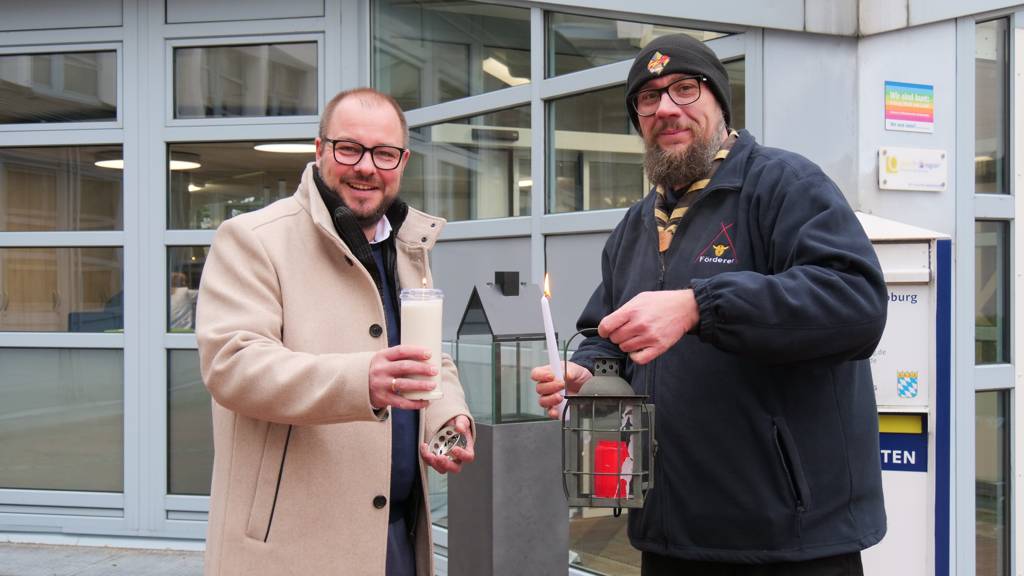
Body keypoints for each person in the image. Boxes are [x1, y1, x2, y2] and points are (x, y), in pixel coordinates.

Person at [533, 34, 887, 575]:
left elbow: (856, 304)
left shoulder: (784, 185)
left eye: (685, 88)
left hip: (789, 543)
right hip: (670, 536)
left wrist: (701, 306)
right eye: (647, 98)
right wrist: (588, 371)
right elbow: (605, 333)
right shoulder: (635, 226)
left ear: (720, 101)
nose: (665, 108)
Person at [196, 87, 474, 576]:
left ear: (402, 161)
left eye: (384, 153)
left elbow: (426, 356)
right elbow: (233, 365)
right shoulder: (253, 239)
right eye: (349, 148)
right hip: (293, 549)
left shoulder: (407, 247)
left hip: (397, 534)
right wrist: (362, 381)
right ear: (320, 149)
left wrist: (447, 414)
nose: (367, 167)